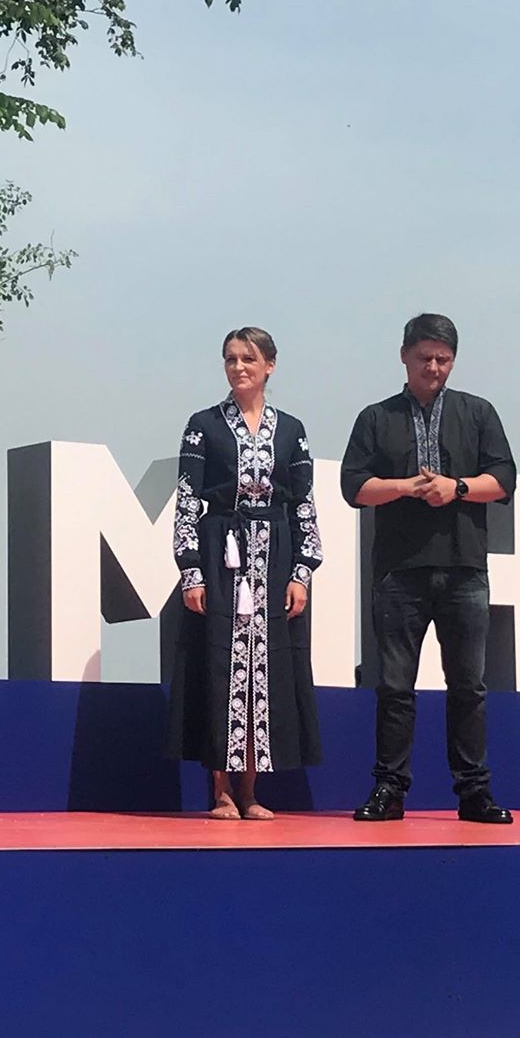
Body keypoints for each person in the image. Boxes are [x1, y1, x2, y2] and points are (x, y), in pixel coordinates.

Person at [339, 313, 518, 824]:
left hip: (465, 568)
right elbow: (353, 487)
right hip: (399, 571)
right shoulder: (377, 417)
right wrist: (406, 487)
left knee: (468, 687)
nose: (433, 368)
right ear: (404, 356)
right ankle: (389, 789)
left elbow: (504, 479)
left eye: (443, 359)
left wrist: (454, 487)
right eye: (424, 358)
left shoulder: (477, 412)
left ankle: (474, 791)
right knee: (395, 687)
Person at [166, 328, 324, 818]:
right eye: (231, 359)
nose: (239, 367)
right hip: (221, 554)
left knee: (267, 668)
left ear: (269, 366)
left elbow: (303, 504)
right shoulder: (203, 426)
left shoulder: (291, 429)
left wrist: (302, 571)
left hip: (274, 559)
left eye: (249, 359)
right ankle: (220, 789)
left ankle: (252, 789)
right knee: (218, 663)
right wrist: (192, 570)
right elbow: (187, 501)